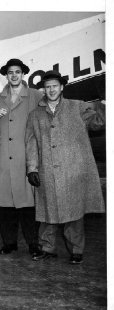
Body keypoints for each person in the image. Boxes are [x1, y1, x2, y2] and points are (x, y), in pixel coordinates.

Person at [25, 70, 105, 264]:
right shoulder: (35, 114)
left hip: (72, 171)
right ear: (44, 89)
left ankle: (76, 250)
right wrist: (32, 168)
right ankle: (47, 248)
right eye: (48, 86)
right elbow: (31, 143)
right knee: (47, 214)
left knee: (74, 215)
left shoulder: (77, 107)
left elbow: (98, 123)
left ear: (62, 87)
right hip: (47, 171)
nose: (51, 90)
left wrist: (103, 104)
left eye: (55, 86)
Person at [0, 59, 43, 258]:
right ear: (6, 75)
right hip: (3, 160)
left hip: (25, 158)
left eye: (18, 72)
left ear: (23, 74)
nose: (14, 75)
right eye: (10, 72)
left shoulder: (35, 96)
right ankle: (9, 243)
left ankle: (33, 243)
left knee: (28, 206)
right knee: (5, 206)